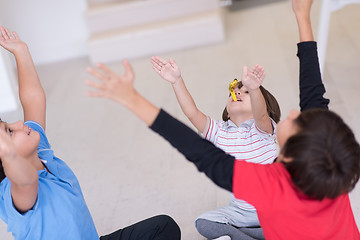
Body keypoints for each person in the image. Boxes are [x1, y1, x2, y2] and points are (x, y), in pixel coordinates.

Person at [85, 0, 360, 239]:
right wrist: (302, 13)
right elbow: (313, 90)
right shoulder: (329, 169)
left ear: (289, 157)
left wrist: (132, 99)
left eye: (296, 122)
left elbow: (200, 152)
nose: (293, 112)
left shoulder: (271, 185)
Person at [0, 27, 181, 240]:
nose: (19, 122)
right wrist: (6, 148)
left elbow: (33, 98)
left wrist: (21, 51)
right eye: (9, 131)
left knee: (164, 227)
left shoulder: (40, 151)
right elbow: (26, 181)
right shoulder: (13, 192)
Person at [150, 54, 280, 239]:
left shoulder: (263, 129)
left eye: (246, 92)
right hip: (240, 213)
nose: (237, 93)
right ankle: (259, 235)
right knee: (204, 222)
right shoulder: (219, 131)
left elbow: (260, 115)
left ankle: (255, 234)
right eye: (233, 92)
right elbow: (192, 112)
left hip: (274, 208)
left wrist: (255, 88)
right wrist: (176, 81)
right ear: (227, 110)